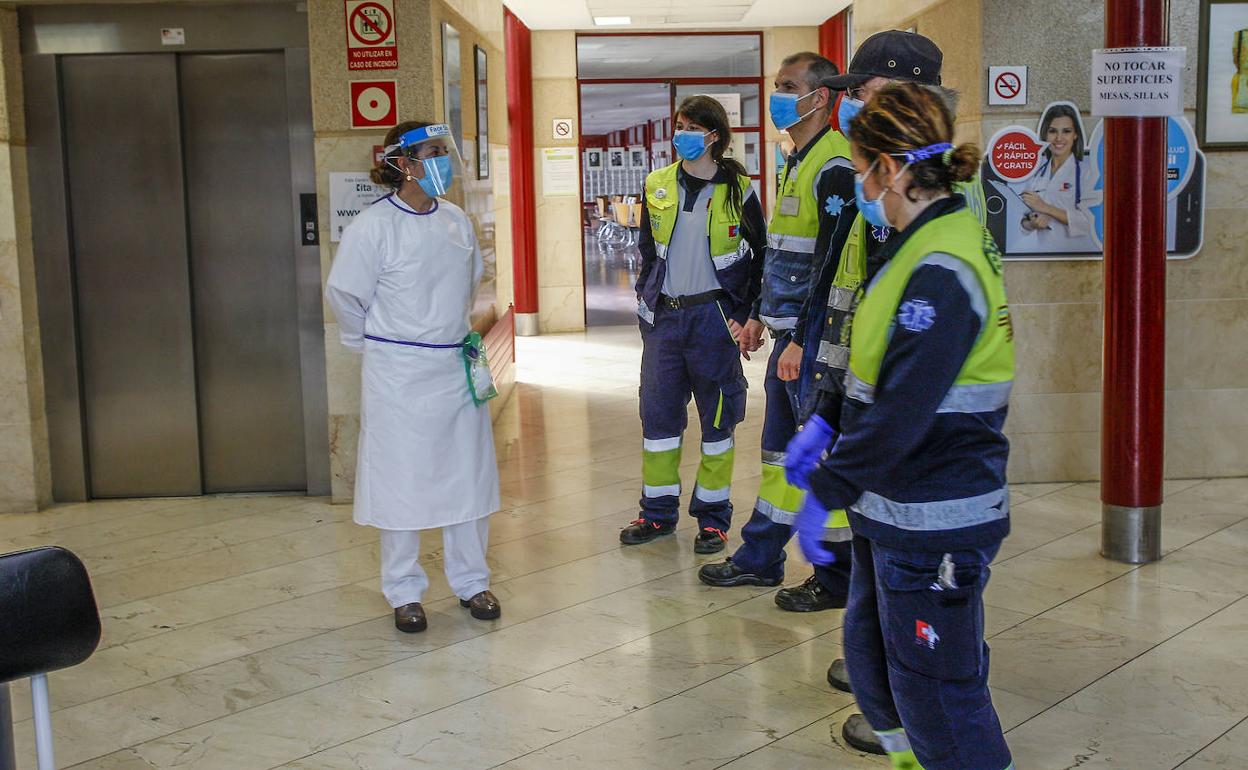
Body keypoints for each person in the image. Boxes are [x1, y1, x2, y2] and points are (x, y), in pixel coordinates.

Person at [793, 82, 1015, 770]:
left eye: (864, 169)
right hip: (890, 510)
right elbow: (880, 366)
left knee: (938, 695)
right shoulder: (912, 245)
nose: (863, 185)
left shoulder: (942, 265)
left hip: (935, 514)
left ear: (891, 169)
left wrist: (827, 487)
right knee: (873, 662)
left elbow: (905, 409)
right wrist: (826, 419)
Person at [326, 121, 502, 634]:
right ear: (400, 162)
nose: (441, 161)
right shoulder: (372, 227)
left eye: (444, 151)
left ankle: (471, 581)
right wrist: (373, 343)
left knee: (468, 477)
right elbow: (346, 296)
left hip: (453, 363)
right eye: (431, 152)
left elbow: (469, 285)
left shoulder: (455, 221)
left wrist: (445, 331)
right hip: (398, 372)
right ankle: (403, 590)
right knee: (399, 482)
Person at [697, 52, 857, 612]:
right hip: (789, 334)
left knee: (816, 462)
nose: (778, 97)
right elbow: (786, 255)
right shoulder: (796, 157)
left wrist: (796, 340)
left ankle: (835, 580)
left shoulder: (835, 165)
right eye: (777, 86)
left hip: (811, 344)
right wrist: (763, 315)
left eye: (789, 87)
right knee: (779, 458)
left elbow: (832, 264)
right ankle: (761, 557)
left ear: (821, 97)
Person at [619, 95, 766, 553]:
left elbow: (761, 257)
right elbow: (647, 251)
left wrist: (749, 314)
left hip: (715, 319)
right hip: (665, 317)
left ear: (713, 136)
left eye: (690, 127)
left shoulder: (740, 190)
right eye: (678, 125)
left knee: (719, 420)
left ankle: (713, 518)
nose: (680, 133)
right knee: (658, 418)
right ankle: (657, 513)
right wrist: (649, 304)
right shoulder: (657, 183)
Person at [1019, 102, 1095, 248]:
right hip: (1041, 255)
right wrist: (1032, 223)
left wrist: (1045, 208)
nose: (1059, 138)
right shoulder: (1035, 174)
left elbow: (1090, 222)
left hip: (1073, 257)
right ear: (1045, 135)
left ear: (1075, 135)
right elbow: (1023, 220)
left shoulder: (1087, 174)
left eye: (1066, 131)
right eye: (1052, 131)